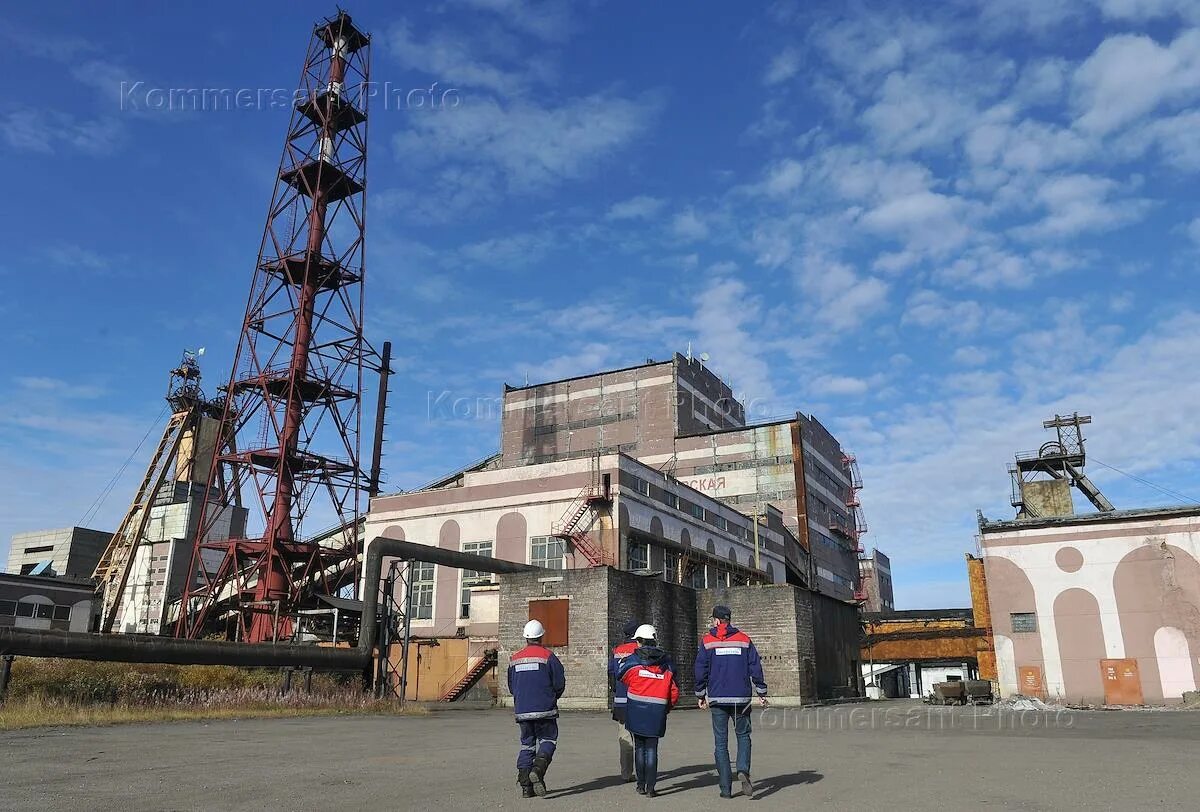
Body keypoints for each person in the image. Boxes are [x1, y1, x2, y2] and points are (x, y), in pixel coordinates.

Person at [694, 605, 768, 799]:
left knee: (720, 743)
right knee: (743, 736)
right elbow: (755, 665)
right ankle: (743, 768)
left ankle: (725, 789)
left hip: (718, 698)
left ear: (717, 621)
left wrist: (700, 694)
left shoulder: (707, 641)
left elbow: (701, 668)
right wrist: (761, 691)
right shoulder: (744, 639)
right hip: (741, 698)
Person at [617, 623, 680, 798]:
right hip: (657, 711)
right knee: (652, 749)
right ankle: (651, 788)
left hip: (636, 709)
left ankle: (641, 785)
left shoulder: (632, 661)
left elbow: (621, 676)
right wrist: (667, 706)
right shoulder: (666, 663)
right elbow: (674, 690)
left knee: (639, 748)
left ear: (638, 641)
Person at [508, 619, 566, 798]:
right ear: (541, 636)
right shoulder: (548, 657)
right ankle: (538, 771)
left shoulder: (514, 659)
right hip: (545, 710)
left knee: (527, 745)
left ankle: (526, 787)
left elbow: (511, 686)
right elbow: (559, 683)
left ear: (526, 638)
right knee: (549, 741)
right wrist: (552, 697)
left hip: (522, 711)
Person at [608, 619, 641, 782]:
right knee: (642, 738)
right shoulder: (641, 649)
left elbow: (611, 675)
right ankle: (643, 773)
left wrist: (616, 691)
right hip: (640, 699)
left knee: (625, 739)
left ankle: (626, 774)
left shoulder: (617, 650)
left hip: (621, 701)